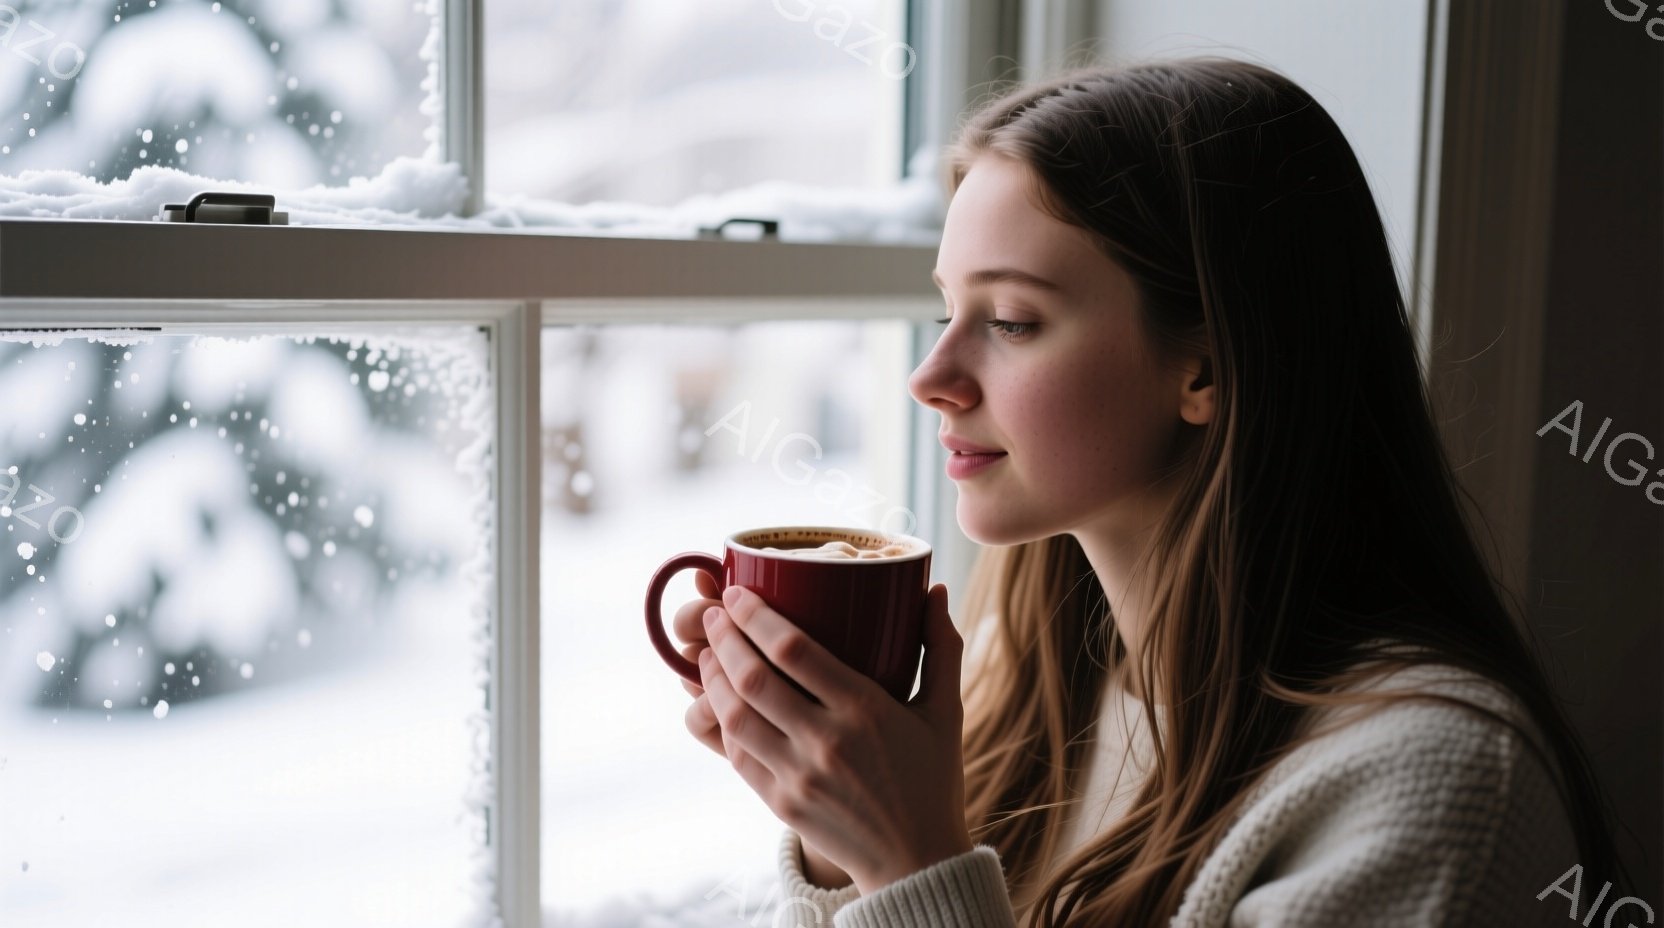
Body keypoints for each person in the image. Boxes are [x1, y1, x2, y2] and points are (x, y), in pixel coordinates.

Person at [670, 57, 1629, 927]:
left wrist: (911, 864)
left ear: (1205, 369)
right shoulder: (1027, 684)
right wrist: (842, 838)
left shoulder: (1434, 787)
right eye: (943, 308)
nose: (929, 375)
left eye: (1009, 321)